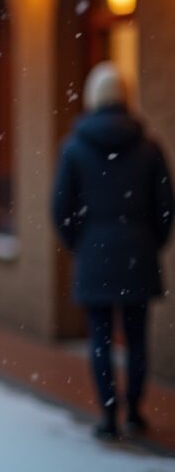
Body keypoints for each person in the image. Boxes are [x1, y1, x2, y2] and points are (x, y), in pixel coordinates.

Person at [52, 61, 172, 441]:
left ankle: (108, 415)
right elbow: (166, 206)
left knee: (100, 339)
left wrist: (81, 244)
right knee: (136, 339)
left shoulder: (74, 149)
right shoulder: (149, 147)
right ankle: (134, 410)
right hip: (137, 254)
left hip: (94, 255)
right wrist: (150, 241)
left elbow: (60, 208)